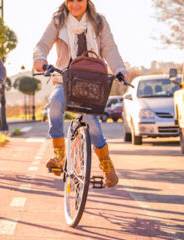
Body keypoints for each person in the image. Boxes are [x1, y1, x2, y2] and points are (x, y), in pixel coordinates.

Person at [33, 0, 129, 187]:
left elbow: (109, 48)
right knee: (54, 103)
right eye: (71, 0)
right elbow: (43, 44)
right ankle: (59, 155)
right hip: (65, 78)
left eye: (80, 0)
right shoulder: (58, 21)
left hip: (92, 81)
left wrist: (119, 68)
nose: (75, 5)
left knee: (91, 121)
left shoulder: (99, 22)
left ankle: (106, 164)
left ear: (87, 1)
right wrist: (40, 58)